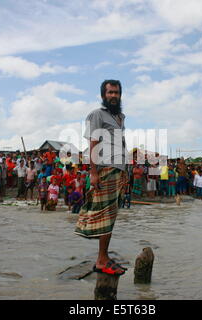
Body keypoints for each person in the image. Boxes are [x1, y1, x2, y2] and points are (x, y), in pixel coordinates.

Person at [74, 79, 128, 276]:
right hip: (104, 170)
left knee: (111, 216)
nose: (113, 96)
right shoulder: (97, 114)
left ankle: (103, 257)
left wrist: (125, 172)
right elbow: (93, 144)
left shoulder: (120, 117)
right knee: (105, 215)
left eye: (116, 92)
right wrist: (93, 172)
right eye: (110, 92)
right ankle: (101, 260)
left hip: (117, 170)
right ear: (103, 95)